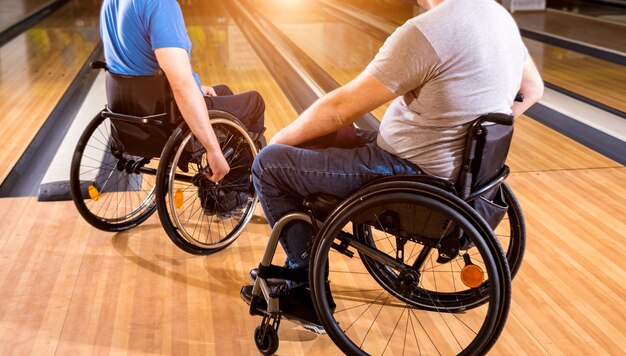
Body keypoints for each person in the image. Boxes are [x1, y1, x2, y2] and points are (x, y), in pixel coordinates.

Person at [240, 0, 543, 332]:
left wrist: (277, 141)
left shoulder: (427, 34)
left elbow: (339, 108)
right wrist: (466, 142)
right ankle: (312, 244)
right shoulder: (496, 14)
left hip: (405, 172)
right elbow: (533, 89)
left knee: (269, 165)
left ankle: (305, 285)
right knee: (333, 136)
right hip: (459, 178)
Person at [100, 0, 265, 184]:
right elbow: (180, 84)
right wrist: (214, 150)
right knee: (255, 103)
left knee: (224, 92)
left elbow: (136, 64)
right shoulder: (161, 5)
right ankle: (232, 194)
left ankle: (234, 174)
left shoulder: (111, 2)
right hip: (165, 115)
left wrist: (197, 87)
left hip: (130, 114)